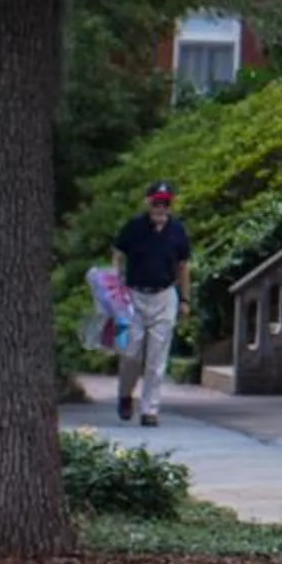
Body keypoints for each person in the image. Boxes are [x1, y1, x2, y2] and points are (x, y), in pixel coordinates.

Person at [112, 181, 192, 427]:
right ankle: (126, 395)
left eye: (165, 202)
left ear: (171, 204)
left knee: (157, 358)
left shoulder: (178, 231)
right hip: (135, 296)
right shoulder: (134, 227)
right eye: (157, 202)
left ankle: (150, 410)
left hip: (165, 295)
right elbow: (117, 251)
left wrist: (186, 299)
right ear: (148, 202)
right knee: (131, 354)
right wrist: (115, 284)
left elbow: (183, 266)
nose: (161, 207)